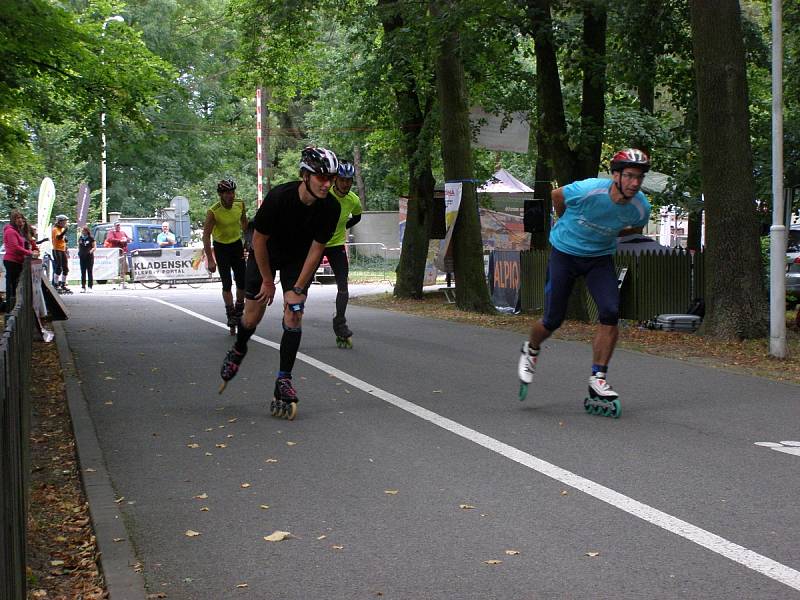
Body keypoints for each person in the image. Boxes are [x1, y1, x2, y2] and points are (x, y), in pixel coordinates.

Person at [517, 148, 652, 415]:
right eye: (629, 176)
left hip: (599, 258)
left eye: (639, 178)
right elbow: (557, 196)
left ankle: (598, 378)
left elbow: (635, 227)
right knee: (552, 319)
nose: (635, 183)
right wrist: (566, 220)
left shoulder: (641, 208)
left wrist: (610, 233)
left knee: (611, 311)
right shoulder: (589, 189)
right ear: (615, 175)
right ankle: (531, 349)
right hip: (565, 253)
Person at [218, 147, 341, 420]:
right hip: (266, 255)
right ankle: (239, 348)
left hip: (296, 260)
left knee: (295, 315)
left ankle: (283, 379)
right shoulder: (279, 197)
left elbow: (316, 249)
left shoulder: (330, 206)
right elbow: (258, 241)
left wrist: (297, 288)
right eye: (320, 177)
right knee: (252, 316)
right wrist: (267, 281)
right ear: (304, 176)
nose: (326, 183)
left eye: (330, 177)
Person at [322, 160, 362, 347]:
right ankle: (292, 316)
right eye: (343, 180)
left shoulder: (353, 199)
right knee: (302, 285)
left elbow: (358, 216)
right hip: (317, 244)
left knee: (343, 286)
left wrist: (344, 226)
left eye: (349, 180)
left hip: (337, 245)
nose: (346, 184)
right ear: (335, 179)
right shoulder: (324, 194)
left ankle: (340, 323)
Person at [203, 179, 248, 332]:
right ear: (221, 195)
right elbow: (206, 235)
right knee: (227, 283)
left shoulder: (240, 204)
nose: (231, 195)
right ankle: (230, 313)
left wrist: (247, 241)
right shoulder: (213, 211)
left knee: (242, 281)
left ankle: (239, 308)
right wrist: (210, 259)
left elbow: (244, 222)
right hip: (221, 246)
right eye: (227, 193)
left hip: (236, 244)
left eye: (233, 192)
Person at [3, 210, 36, 310]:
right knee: (12, 285)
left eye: (21, 218)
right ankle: (10, 306)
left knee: (16, 284)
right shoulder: (10, 231)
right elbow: (15, 247)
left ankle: (13, 306)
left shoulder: (17, 231)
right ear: (13, 220)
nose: (20, 220)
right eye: (17, 218)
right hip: (12, 261)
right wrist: (30, 253)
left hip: (17, 261)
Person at [51, 214, 71, 291]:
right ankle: (55, 284)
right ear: (59, 222)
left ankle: (63, 284)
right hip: (57, 249)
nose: (65, 224)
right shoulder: (55, 229)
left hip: (62, 249)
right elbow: (58, 237)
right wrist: (64, 232)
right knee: (58, 267)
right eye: (64, 222)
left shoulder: (61, 229)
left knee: (65, 268)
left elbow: (63, 239)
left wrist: (65, 239)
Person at [77, 226, 96, 292]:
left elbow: (94, 247)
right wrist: (79, 252)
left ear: (87, 231)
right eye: (82, 231)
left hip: (89, 257)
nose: (83, 232)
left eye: (84, 231)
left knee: (89, 271)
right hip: (82, 257)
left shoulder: (91, 238)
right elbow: (79, 246)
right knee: (83, 272)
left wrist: (91, 251)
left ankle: (90, 286)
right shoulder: (81, 238)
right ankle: (83, 286)